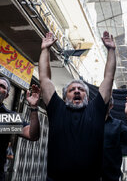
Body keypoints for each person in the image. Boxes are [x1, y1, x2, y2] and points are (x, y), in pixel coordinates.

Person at [39, 31, 116, 180]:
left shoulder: (96, 110)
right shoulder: (57, 109)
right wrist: (45, 50)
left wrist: (111, 50)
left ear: (87, 96)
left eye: (81, 90)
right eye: (72, 90)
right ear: (64, 95)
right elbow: (44, 78)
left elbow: (109, 78)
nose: (76, 91)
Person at [102, 96, 127, 181]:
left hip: (111, 175)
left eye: (106, 103)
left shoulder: (117, 125)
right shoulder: (89, 121)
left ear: (111, 106)